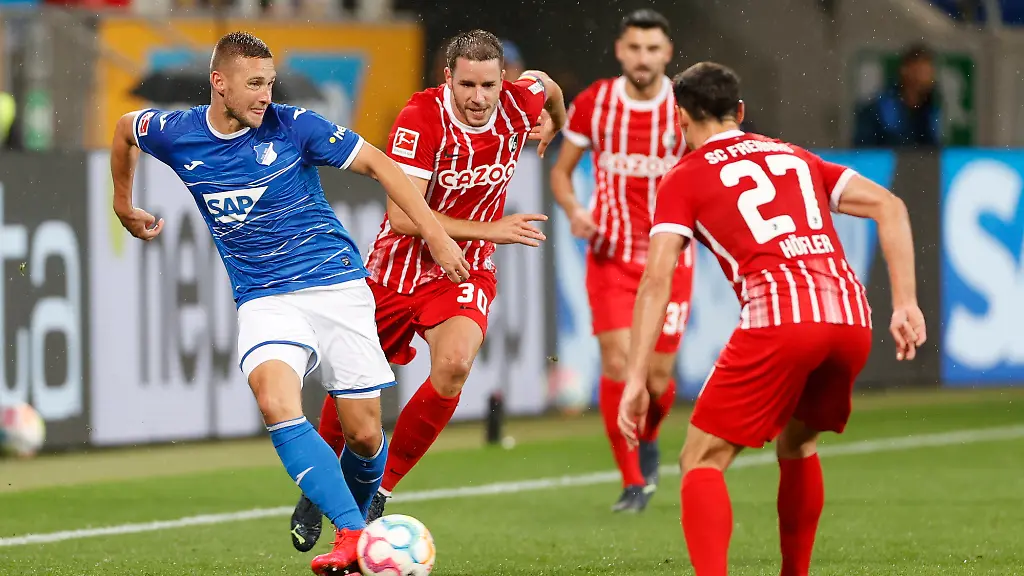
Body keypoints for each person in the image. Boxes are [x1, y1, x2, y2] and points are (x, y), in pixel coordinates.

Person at [109, 31, 469, 576]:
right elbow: (124, 130)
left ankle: (347, 518)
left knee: (364, 435)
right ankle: (352, 533)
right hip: (265, 298)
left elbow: (381, 165)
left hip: (336, 286)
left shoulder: (295, 125)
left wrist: (436, 236)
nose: (265, 95)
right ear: (219, 82)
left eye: (270, 83)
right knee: (276, 402)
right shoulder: (177, 132)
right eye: (254, 83)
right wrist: (122, 204)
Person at [618, 61, 927, 576]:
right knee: (798, 441)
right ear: (739, 111)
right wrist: (906, 303)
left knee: (701, 460)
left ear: (680, 118)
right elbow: (890, 206)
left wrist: (634, 377)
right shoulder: (795, 156)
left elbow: (656, 280)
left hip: (783, 317)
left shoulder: (683, 177)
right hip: (850, 316)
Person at [288, 28, 567, 551]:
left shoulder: (519, 101)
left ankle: (380, 489)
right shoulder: (420, 118)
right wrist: (492, 229)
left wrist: (558, 118)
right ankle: (319, 489)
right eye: (467, 85)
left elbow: (546, 85)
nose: (479, 98)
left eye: (489, 85)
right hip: (395, 272)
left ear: (503, 81)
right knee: (353, 385)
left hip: (464, 271)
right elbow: (401, 216)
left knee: (455, 364)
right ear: (447, 79)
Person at [549, 8, 693, 512]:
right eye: (634, 48)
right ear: (620, 50)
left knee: (657, 379)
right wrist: (575, 210)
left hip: (670, 260)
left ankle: (648, 437)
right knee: (616, 361)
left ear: (667, 53)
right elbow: (561, 173)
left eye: (652, 49)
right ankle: (632, 481)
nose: (642, 58)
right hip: (610, 256)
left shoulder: (685, 107)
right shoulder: (596, 103)